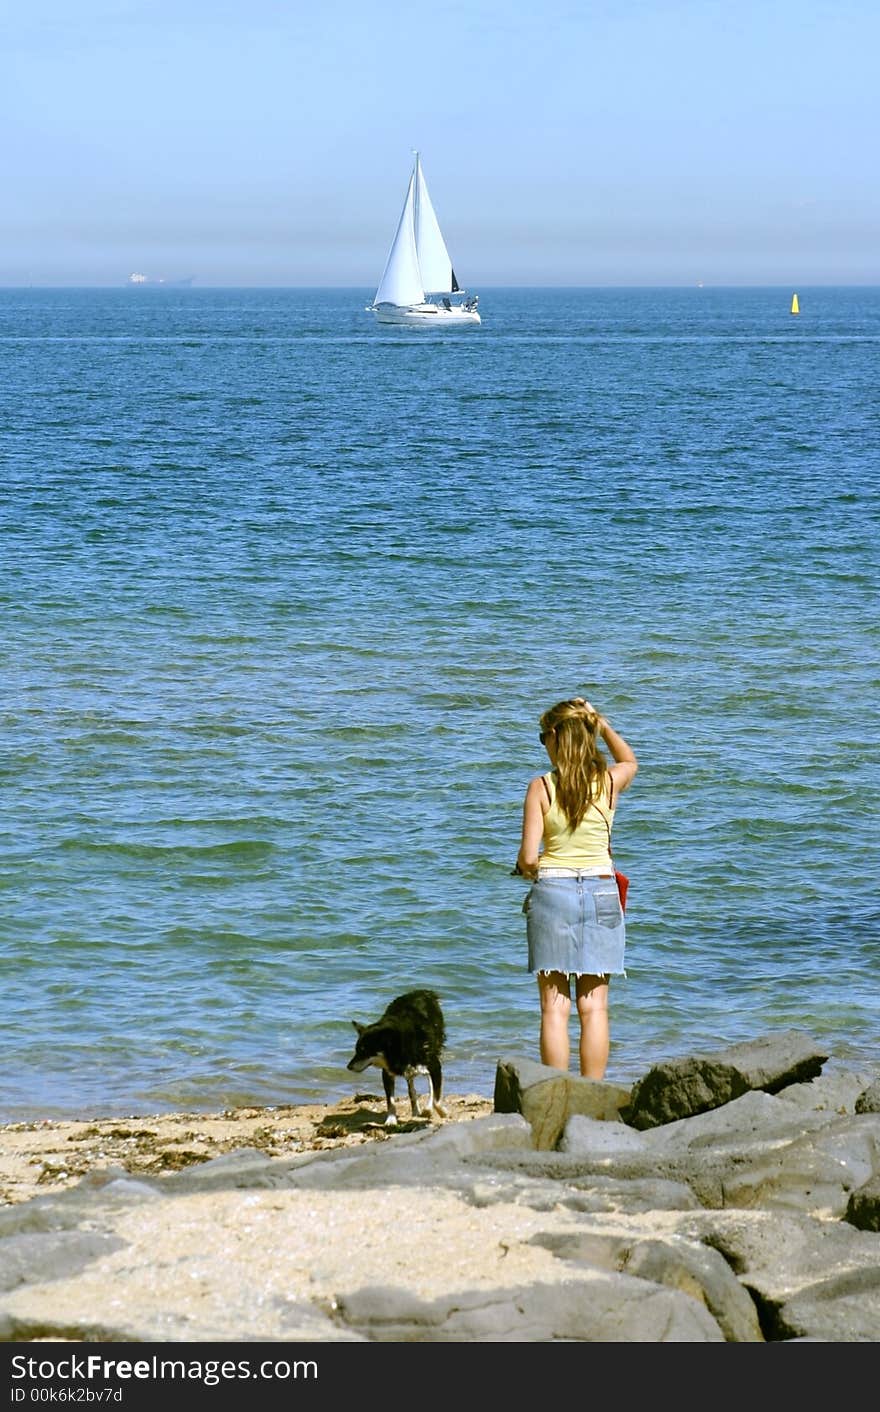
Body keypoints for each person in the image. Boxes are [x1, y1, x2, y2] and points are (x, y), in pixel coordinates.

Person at [514, 697, 638, 1080]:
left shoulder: (541, 788)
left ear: (554, 737)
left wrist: (526, 873)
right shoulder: (608, 782)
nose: (543, 744)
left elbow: (529, 859)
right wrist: (600, 724)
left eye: (543, 737)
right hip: (601, 892)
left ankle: (555, 1092)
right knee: (595, 1007)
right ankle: (593, 1092)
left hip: (553, 893)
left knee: (554, 1008)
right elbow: (630, 761)